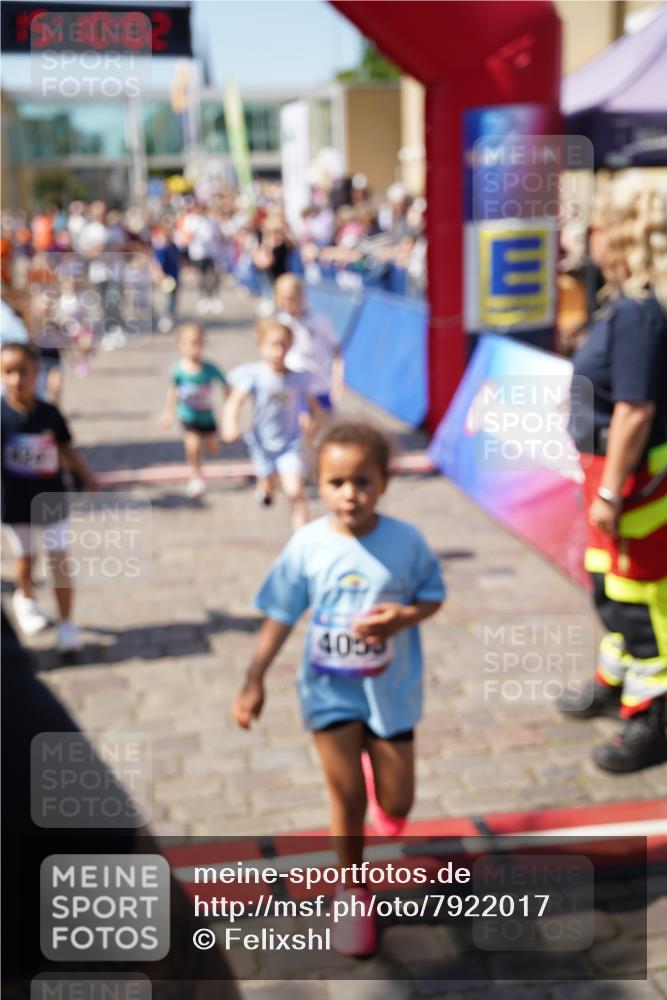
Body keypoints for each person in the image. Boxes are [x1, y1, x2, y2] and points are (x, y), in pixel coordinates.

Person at [232, 422, 445, 956]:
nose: (350, 494)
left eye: (363, 481)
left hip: (391, 694)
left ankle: (385, 793)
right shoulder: (307, 544)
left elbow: (433, 597)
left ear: (385, 481)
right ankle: (352, 890)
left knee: (397, 806)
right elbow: (280, 615)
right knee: (344, 797)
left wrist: (403, 618)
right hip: (329, 693)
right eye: (336, 482)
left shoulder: (406, 542)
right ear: (318, 484)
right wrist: (254, 678)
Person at [559, 179, 667, 772]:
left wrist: (609, 490)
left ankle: (653, 714)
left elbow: (634, 410)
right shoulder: (625, 302)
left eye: (597, 226)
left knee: (639, 603)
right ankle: (618, 680)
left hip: (630, 480)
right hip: (611, 471)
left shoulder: (640, 310)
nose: (588, 237)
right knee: (609, 591)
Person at [1, 341, 98, 651]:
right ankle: (26, 598)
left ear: (37, 372)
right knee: (25, 559)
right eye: (8, 372)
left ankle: (67, 625)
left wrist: (88, 476)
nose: (17, 379)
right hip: (14, 504)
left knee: (59, 560)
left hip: (51, 500)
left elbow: (66, 449)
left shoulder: (49, 414)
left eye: (23, 371)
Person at [223, 317, 318, 531]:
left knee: (295, 492)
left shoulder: (299, 378)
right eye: (273, 345)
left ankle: (302, 541)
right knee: (269, 480)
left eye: (283, 345)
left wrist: (312, 421)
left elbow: (312, 404)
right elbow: (235, 400)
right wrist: (230, 424)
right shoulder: (254, 375)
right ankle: (266, 487)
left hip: (290, 443)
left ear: (290, 346)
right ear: (261, 347)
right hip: (262, 444)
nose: (278, 351)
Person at [160, 323, 228, 498]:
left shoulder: (209, 368)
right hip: (188, 415)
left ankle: (207, 448)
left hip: (207, 417)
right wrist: (168, 413)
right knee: (193, 445)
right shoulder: (178, 370)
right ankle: (196, 476)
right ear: (180, 346)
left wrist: (228, 407)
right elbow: (173, 391)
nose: (195, 347)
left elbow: (225, 383)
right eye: (190, 343)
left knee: (213, 449)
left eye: (198, 342)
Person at [274, 273, 344, 416]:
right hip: (294, 389)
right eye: (285, 299)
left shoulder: (318, 320)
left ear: (302, 295)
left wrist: (338, 376)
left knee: (325, 425)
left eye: (293, 298)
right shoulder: (280, 322)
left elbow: (335, 348)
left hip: (319, 386)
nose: (290, 304)